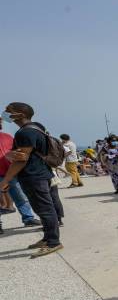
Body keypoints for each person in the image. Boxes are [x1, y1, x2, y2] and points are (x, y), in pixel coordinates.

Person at [0, 103, 62, 257]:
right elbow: (22, 154)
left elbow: (21, 159)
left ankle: (54, 242)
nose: (5, 113)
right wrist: (10, 155)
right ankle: (48, 238)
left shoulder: (24, 133)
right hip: (42, 173)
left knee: (45, 210)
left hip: (34, 176)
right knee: (42, 209)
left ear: (20, 114)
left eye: (9, 111)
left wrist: (6, 179)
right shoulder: (36, 127)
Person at [0, 116, 41, 233]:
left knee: (20, 196)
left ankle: (28, 218)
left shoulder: (8, 137)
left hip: (10, 172)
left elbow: (18, 152)